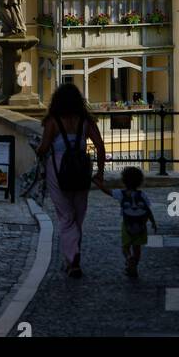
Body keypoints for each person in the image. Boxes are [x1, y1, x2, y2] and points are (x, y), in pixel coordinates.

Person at [37, 82, 106, 278]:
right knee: (78, 215)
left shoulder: (53, 121)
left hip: (58, 169)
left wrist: (38, 151)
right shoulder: (85, 121)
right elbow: (100, 147)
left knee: (66, 215)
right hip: (82, 169)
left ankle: (73, 258)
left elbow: (43, 148)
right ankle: (72, 259)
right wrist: (100, 173)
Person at [96, 165, 157, 277]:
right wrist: (153, 222)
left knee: (125, 246)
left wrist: (98, 183)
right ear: (140, 181)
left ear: (123, 180)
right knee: (137, 248)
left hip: (127, 224)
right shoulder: (142, 194)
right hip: (141, 225)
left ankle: (129, 259)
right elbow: (148, 210)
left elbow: (107, 191)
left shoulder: (121, 193)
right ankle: (134, 266)